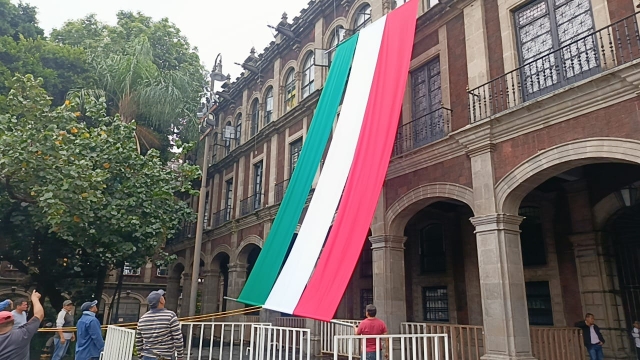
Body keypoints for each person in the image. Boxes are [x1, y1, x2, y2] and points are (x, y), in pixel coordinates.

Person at [135, 290, 184, 360]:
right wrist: (180, 356)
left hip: (147, 356)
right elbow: (178, 338)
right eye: (162, 297)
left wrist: (140, 356)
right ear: (161, 300)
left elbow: (139, 341)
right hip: (165, 356)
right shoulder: (170, 316)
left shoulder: (142, 319)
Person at [0, 290, 44, 360]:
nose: (26, 306)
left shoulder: (24, 314)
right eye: (24, 305)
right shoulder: (23, 334)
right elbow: (39, 315)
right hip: (20, 339)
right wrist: (35, 299)